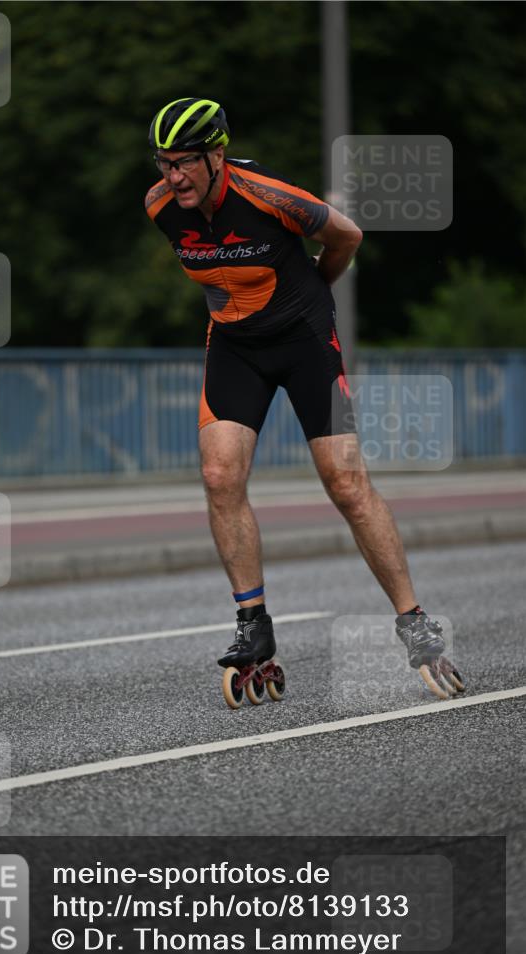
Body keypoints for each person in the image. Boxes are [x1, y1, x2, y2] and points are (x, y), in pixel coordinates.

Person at [145, 97, 463, 701]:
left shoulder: (270, 196)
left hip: (305, 340)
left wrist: (320, 284)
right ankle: (253, 625)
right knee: (218, 476)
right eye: (164, 162)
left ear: (217, 155)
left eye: (185, 161)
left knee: (345, 482)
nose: (173, 176)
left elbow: (347, 235)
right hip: (235, 345)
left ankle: (413, 619)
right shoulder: (160, 206)